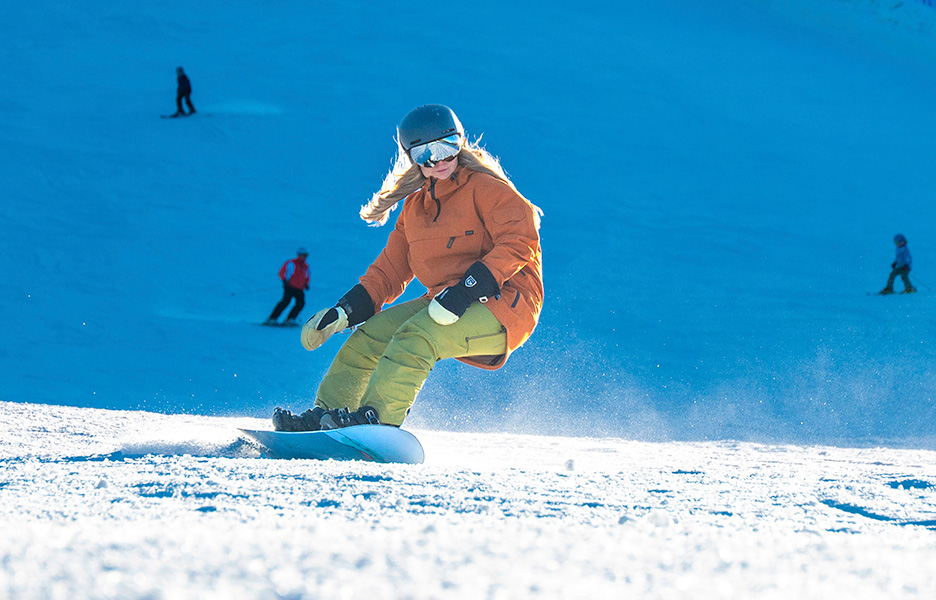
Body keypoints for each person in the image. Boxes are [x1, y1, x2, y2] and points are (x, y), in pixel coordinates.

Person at [273, 104, 544, 431]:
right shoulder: (414, 209)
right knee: (368, 338)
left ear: (460, 143)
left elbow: (519, 242)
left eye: (447, 146)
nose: (439, 160)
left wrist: (463, 293)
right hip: (444, 301)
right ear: (411, 157)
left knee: (418, 336)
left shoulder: (488, 190)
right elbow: (389, 272)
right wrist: (344, 311)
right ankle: (328, 416)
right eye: (425, 153)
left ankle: (377, 420)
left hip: (506, 303)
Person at [265, 248, 311, 326]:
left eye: (305, 255)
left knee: (301, 303)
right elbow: (283, 272)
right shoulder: (292, 263)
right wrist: (284, 280)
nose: (304, 257)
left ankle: (290, 319)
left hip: (299, 288)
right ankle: (272, 318)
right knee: (285, 302)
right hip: (290, 286)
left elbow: (306, 276)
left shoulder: (305, 266)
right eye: (303, 255)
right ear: (299, 255)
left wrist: (306, 284)